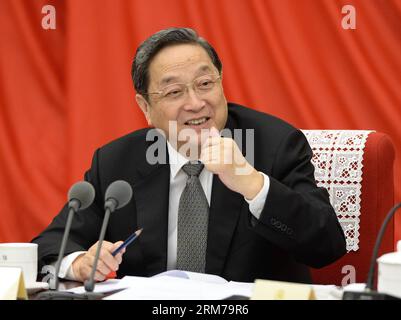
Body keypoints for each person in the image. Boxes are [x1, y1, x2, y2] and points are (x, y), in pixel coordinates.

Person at [32, 27, 346, 284]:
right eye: (174, 92)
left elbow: (326, 245)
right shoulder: (116, 162)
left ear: (221, 83)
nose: (195, 103)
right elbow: (50, 244)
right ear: (145, 108)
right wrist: (80, 264)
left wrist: (253, 184)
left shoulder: (275, 144)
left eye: (205, 83)